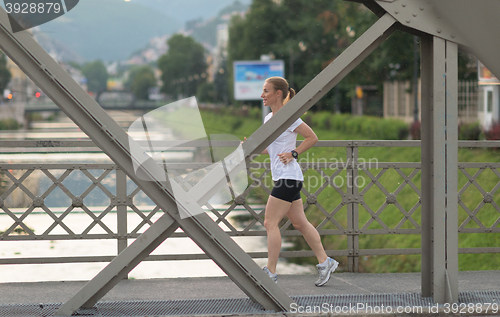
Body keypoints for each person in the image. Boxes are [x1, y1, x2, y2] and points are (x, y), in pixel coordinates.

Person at [258, 76, 338, 287]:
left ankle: (271, 273)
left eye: (266, 91)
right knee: (299, 223)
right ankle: (325, 261)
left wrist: (293, 153)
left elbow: (312, 137)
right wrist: (250, 147)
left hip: (288, 177)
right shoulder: (269, 119)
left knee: (270, 222)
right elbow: (270, 149)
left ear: (278, 93)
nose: (262, 95)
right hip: (286, 178)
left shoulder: (290, 117)